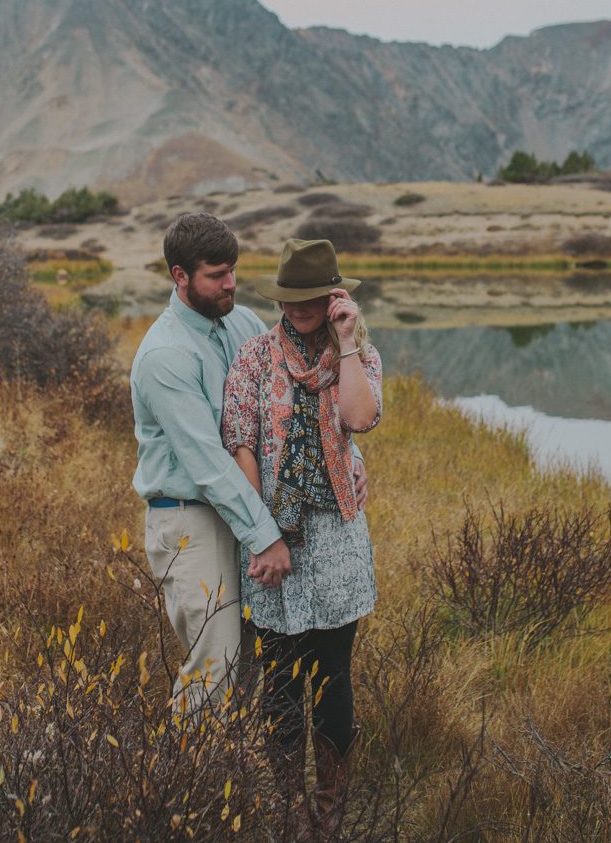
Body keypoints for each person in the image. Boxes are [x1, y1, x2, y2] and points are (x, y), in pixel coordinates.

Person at [222, 237, 381, 837]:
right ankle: (289, 810)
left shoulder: (358, 353)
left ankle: (329, 810)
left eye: (309, 298)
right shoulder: (255, 359)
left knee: (334, 678)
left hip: (337, 543)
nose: (297, 309)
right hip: (274, 543)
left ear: (333, 296)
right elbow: (242, 446)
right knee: (281, 681)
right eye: (288, 298)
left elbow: (360, 419)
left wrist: (345, 343)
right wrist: (264, 537)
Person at [131, 213, 297, 712]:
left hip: (240, 514)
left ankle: (232, 782)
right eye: (216, 275)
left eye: (233, 271)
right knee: (215, 664)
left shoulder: (242, 322)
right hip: (190, 521)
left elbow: (297, 394)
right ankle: (178, 787)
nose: (231, 284)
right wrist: (265, 535)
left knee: (248, 666)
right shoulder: (165, 356)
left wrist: (348, 453)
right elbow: (208, 463)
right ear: (179, 276)